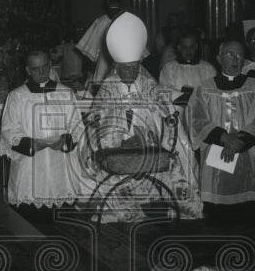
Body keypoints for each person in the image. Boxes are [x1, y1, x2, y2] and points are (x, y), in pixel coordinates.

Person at [84, 12, 202, 221]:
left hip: (150, 145)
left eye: (135, 67)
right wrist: (120, 141)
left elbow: (166, 116)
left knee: (181, 149)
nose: (131, 71)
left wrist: (148, 138)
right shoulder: (108, 88)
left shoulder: (148, 85)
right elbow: (97, 122)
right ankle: (123, 207)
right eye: (126, 68)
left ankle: (163, 204)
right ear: (117, 66)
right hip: (118, 149)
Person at [189, 40, 255, 207]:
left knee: (252, 208)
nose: (235, 59)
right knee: (219, 210)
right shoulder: (204, 89)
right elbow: (196, 119)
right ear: (218, 59)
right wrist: (224, 138)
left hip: (248, 152)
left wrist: (238, 143)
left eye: (239, 55)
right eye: (229, 55)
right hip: (217, 152)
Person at [0, 50, 85, 209]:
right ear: (27, 70)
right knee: (29, 214)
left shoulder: (65, 93)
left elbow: (77, 125)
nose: (41, 72)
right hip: (30, 163)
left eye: (45, 67)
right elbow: (8, 129)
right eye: (35, 69)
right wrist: (31, 144)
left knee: (62, 209)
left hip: (60, 161)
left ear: (50, 66)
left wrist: (66, 141)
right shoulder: (17, 96)